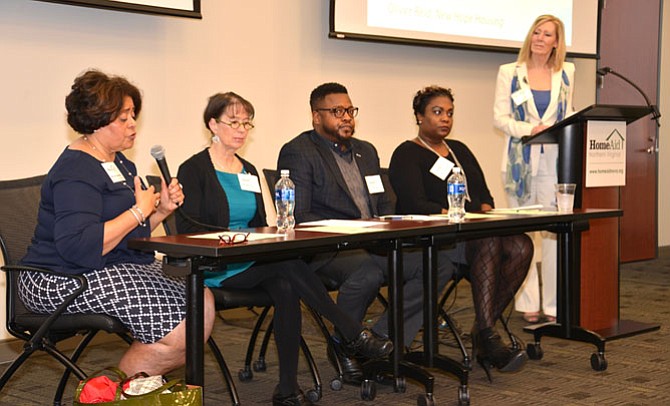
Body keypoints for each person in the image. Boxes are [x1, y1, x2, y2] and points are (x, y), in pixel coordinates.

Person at [176, 92, 392, 406]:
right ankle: (350, 331)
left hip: (249, 261)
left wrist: (260, 239)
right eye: (233, 122)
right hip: (215, 266)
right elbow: (189, 230)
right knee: (287, 266)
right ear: (213, 124)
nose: (241, 130)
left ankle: (287, 390)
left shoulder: (247, 170)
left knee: (286, 279)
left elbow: (259, 223)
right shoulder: (194, 169)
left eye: (246, 123)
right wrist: (235, 240)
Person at [18, 69, 213, 377]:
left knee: (199, 294)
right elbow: (78, 246)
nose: (133, 125)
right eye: (123, 119)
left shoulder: (121, 162)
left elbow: (127, 234)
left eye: (133, 115)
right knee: (177, 332)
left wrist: (159, 209)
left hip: (107, 265)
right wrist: (138, 211)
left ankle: (129, 388)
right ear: (96, 121)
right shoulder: (76, 169)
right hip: (57, 278)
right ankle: (110, 394)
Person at [277, 82, 456, 383]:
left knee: (437, 263)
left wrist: (393, 225)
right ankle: (344, 345)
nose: (346, 117)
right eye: (336, 111)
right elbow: (300, 216)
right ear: (316, 116)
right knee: (367, 271)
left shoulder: (366, 151)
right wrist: (355, 230)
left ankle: (380, 339)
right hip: (327, 250)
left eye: (349, 110)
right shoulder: (299, 151)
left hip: (373, 243)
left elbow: (385, 203)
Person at [389, 85, 532, 378]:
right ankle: (488, 337)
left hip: (475, 234)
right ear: (419, 116)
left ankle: (483, 328)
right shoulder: (406, 154)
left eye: (450, 113)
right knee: (489, 239)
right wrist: (453, 215)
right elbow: (413, 203)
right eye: (437, 112)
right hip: (438, 240)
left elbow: (484, 197)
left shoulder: (460, 150)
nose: (445, 119)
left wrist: (486, 211)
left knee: (522, 245)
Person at [493, 15, 575, 324]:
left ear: (557, 41)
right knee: (523, 235)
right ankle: (527, 301)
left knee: (553, 233)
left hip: (554, 162)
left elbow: (567, 112)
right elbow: (499, 118)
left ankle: (554, 304)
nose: (540, 38)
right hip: (520, 164)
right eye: (536, 32)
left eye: (547, 34)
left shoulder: (567, 72)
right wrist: (529, 128)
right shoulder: (509, 72)